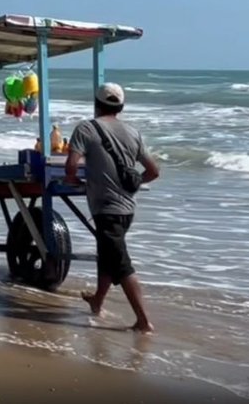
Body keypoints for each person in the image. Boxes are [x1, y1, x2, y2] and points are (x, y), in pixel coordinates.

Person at [63, 82, 161, 333]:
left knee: (120, 263)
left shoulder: (86, 128)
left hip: (106, 209)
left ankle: (143, 321)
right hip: (127, 208)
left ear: (96, 104)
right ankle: (97, 300)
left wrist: (75, 182)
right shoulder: (133, 132)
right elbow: (153, 171)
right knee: (107, 254)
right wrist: (133, 184)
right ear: (121, 107)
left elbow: (71, 166)